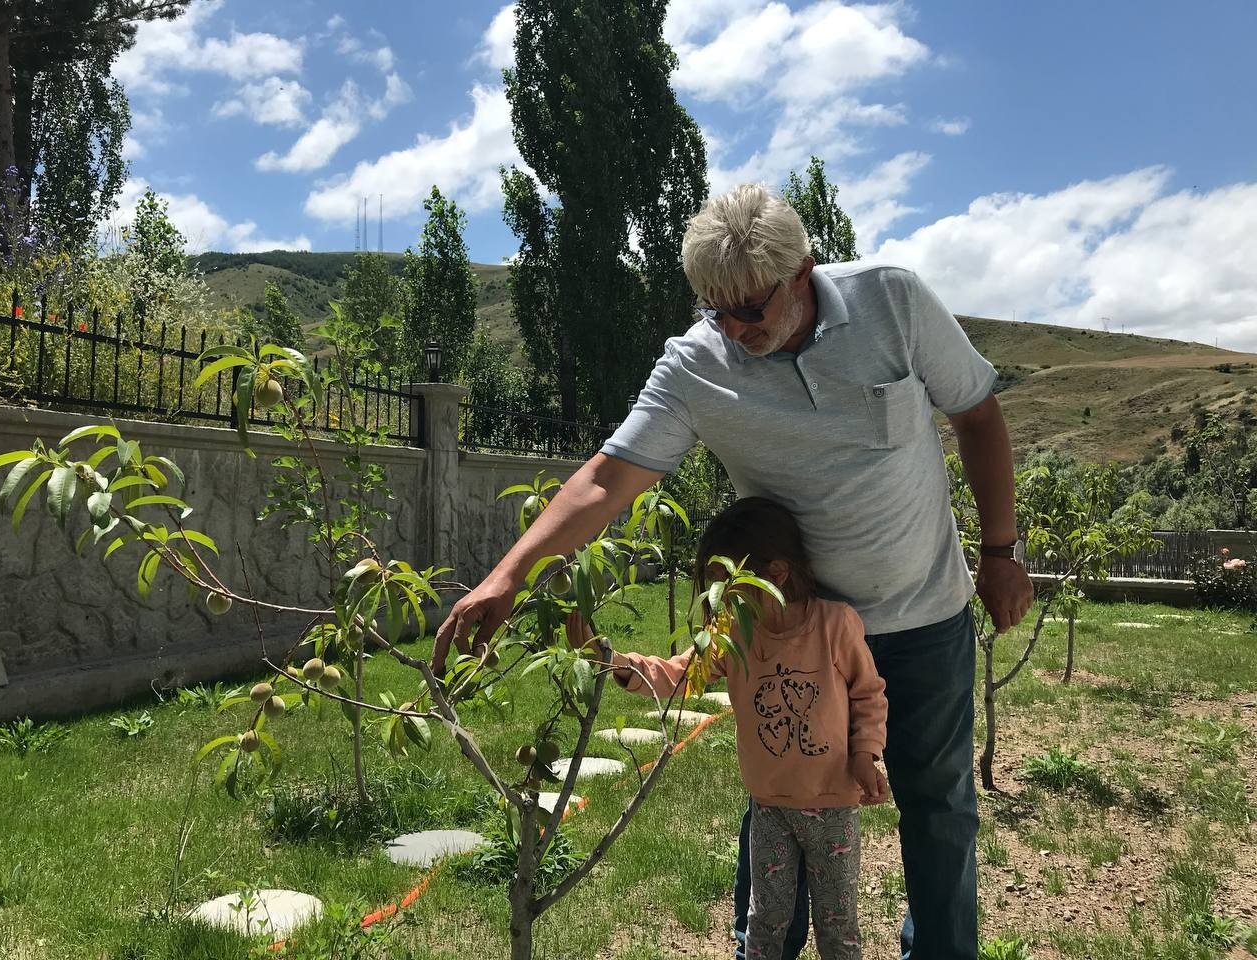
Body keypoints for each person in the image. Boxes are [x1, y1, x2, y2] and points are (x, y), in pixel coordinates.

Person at [433, 183, 1034, 960]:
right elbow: (607, 477)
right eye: (715, 308)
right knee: (779, 796)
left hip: (924, 612)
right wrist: (508, 575)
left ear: (805, 271)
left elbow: (978, 412)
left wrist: (1000, 551)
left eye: (751, 306)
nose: (735, 327)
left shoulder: (893, 300)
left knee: (938, 809)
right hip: (789, 633)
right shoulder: (696, 366)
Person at [565, 496, 889, 959]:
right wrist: (612, 661)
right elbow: (678, 674)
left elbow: (868, 694)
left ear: (775, 573)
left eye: (726, 584)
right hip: (769, 807)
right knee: (764, 921)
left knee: (838, 929)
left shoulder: (834, 626)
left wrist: (865, 753)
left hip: (833, 806)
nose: (717, 598)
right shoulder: (735, 636)